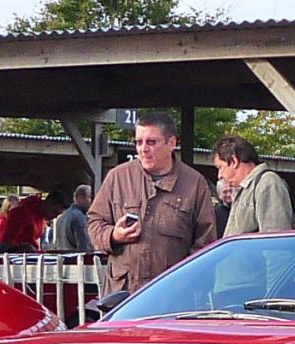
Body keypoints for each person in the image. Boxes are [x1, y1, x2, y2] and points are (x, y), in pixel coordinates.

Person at [88, 111, 216, 294]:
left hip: (171, 295)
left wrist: (184, 282)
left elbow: (206, 244)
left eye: (151, 142)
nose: (143, 149)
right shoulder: (118, 177)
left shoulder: (194, 184)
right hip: (123, 294)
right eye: (138, 142)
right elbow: (94, 222)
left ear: (171, 143)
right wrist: (113, 236)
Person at [214, 135, 295, 237]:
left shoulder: (268, 183)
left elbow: (275, 239)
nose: (219, 175)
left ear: (234, 161)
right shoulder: (248, 187)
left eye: (220, 167)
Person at [0, 190, 66, 250]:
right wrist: (21, 248)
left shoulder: (40, 217)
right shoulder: (20, 213)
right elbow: (5, 244)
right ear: (48, 203)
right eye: (55, 212)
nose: (55, 216)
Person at [57, 185, 93, 251]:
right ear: (81, 197)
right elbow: (85, 248)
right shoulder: (79, 217)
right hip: (76, 257)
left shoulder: (61, 217)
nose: (92, 202)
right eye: (90, 197)